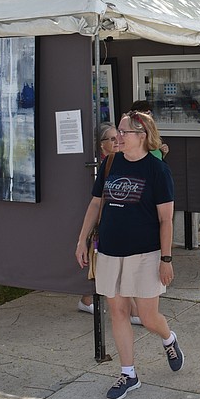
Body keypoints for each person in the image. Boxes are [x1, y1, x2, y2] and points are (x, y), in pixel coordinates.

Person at [75, 111, 184, 399]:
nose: (117, 137)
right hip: (110, 251)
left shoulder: (157, 171)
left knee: (148, 317)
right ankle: (128, 374)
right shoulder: (111, 162)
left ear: (142, 136)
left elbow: (166, 220)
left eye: (123, 132)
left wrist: (166, 259)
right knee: (119, 312)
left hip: (146, 254)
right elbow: (96, 204)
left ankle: (168, 338)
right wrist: (82, 240)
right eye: (117, 132)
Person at [77, 122, 120, 316]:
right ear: (101, 143)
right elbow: (96, 200)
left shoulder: (118, 159)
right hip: (99, 220)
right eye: (111, 138)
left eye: (117, 136)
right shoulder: (100, 165)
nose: (116, 141)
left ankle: (87, 299)